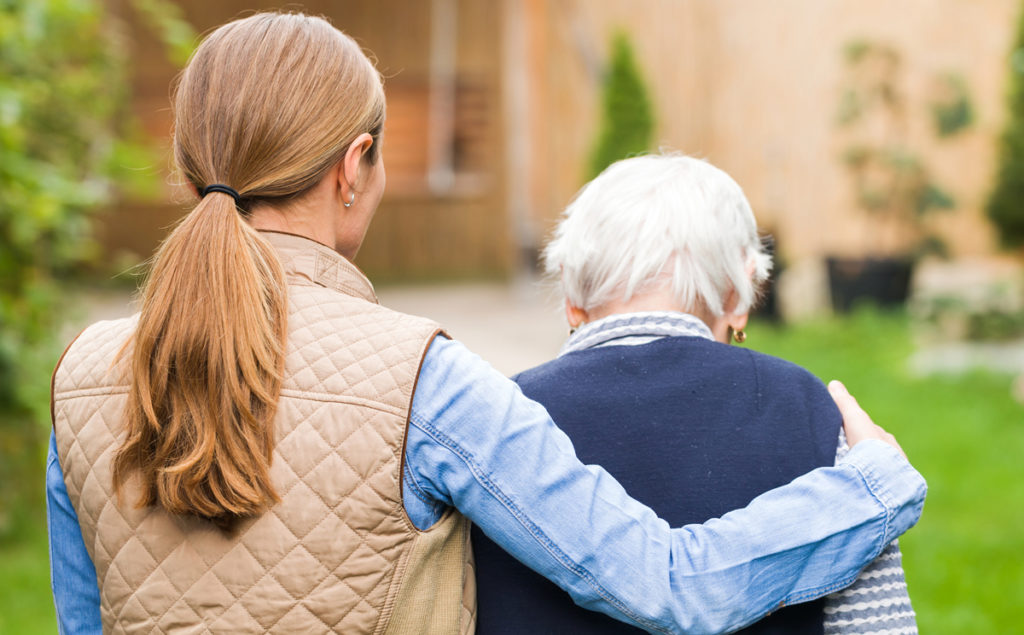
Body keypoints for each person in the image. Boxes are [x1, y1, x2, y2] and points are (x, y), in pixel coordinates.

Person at [47, 13, 925, 635]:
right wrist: (871, 488)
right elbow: (667, 584)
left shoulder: (80, 375)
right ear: (356, 167)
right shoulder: (421, 379)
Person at [472, 154, 919, 634]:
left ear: (571, 296)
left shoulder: (500, 418)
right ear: (739, 295)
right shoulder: (809, 408)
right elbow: (874, 622)